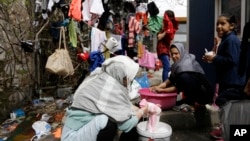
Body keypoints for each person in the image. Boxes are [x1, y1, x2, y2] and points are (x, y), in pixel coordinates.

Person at [61, 55, 148, 141]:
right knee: (108, 121)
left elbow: (122, 107)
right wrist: (142, 111)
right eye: (128, 77)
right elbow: (126, 125)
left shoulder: (103, 78)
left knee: (120, 116)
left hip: (80, 128)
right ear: (120, 74)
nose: (130, 80)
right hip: (72, 136)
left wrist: (138, 109)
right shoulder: (110, 87)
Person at [202, 13, 247, 141]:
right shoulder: (226, 39)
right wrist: (212, 58)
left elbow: (232, 60)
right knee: (225, 106)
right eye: (217, 24)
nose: (219, 27)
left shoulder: (231, 40)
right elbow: (225, 59)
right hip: (226, 80)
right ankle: (224, 130)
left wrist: (215, 57)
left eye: (223, 23)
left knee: (225, 104)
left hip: (233, 81)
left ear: (232, 26)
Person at [151, 43, 214, 110]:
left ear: (182, 52)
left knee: (184, 78)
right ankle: (189, 101)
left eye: (176, 53)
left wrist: (162, 90)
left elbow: (178, 88)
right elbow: (170, 80)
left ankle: (193, 103)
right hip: (198, 92)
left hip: (205, 94)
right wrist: (157, 87)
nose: (174, 56)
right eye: (172, 54)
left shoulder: (185, 65)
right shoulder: (179, 64)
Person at [157, 10, 179, 81]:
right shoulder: (162, 26)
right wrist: (166, 31)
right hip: (162, 49)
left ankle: (165, 82)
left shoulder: (170, 25)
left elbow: (170, 39)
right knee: (167, 67)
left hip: (166, 49)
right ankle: (165, 83)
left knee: (167, 67)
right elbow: (159, 37)